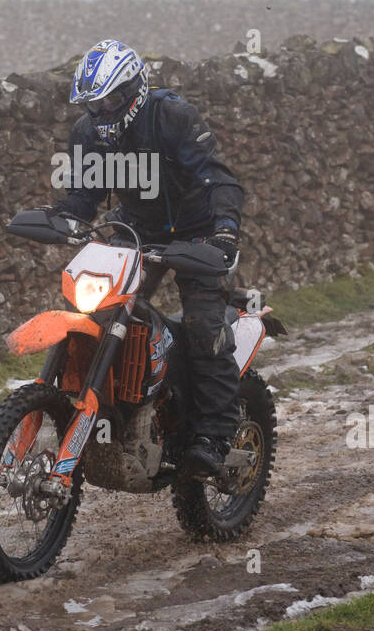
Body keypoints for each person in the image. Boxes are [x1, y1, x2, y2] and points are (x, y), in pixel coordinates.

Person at [52, 38, 244, 479]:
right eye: (93, 105)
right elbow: (86, 194)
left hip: (197, 234)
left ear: (136, 89)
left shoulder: (171, 117)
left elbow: (220, 180)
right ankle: (109, 407)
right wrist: (64, 217)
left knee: (202, 324)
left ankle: (213, 434)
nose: (101, 113)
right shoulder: (87, 132)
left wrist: (224, 232)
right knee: (95, 309)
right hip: (135, 228)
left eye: (110, 101)